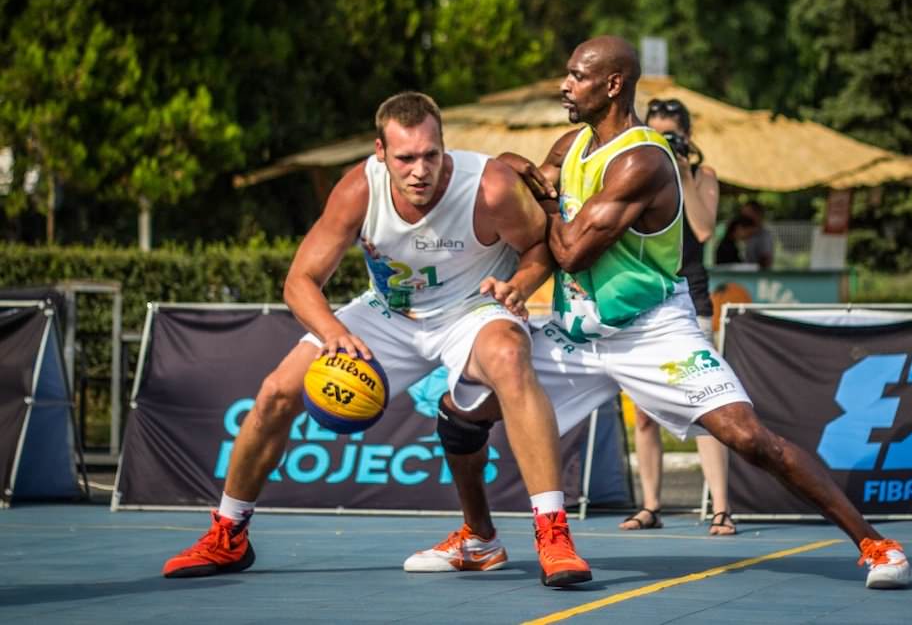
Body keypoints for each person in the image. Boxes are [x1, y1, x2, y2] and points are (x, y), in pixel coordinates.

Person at [407, 37, 911, 590]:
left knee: (747, 438)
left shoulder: (643, 160)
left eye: (577, 76)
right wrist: (512, 174)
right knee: (460, 410)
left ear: (614, 84)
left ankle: (876, 544)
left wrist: (543, 197)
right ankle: (479, 538)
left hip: (652, 330)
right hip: (579, 331)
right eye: (567, 75)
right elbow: (521, 185)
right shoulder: (571, 144)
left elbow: (571, 248)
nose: (565, 85)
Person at [162, 91, 592, 588]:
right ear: (380, 152)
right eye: (405, 158)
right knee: (277, 390)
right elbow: (299, 281)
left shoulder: (489, 186)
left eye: (431, 155)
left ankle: (553, 534)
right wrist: (334, 335)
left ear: (444, 147)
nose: (420, 170)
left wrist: (518, 287)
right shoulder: (358, 189)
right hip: (389, 312)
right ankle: (228, 533)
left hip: (471, 308)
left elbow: (540, 247)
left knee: (510, 355)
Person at [616, 97, 734, 535]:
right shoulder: (637, 174)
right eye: (658, 134)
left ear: (687, 138)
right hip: (644, 301)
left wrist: (682, 172)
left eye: (673, 136)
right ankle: (650, 505)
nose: (665, 142)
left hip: (692, 302)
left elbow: (703, 229)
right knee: (643, 412)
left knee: (709, 403)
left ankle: (721, 507)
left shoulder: (702, 176)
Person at [739, 200, 774, 269]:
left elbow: (766, 260)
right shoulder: (748, 234)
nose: (743, 217)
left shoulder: (764, 235)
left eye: (747, 214)